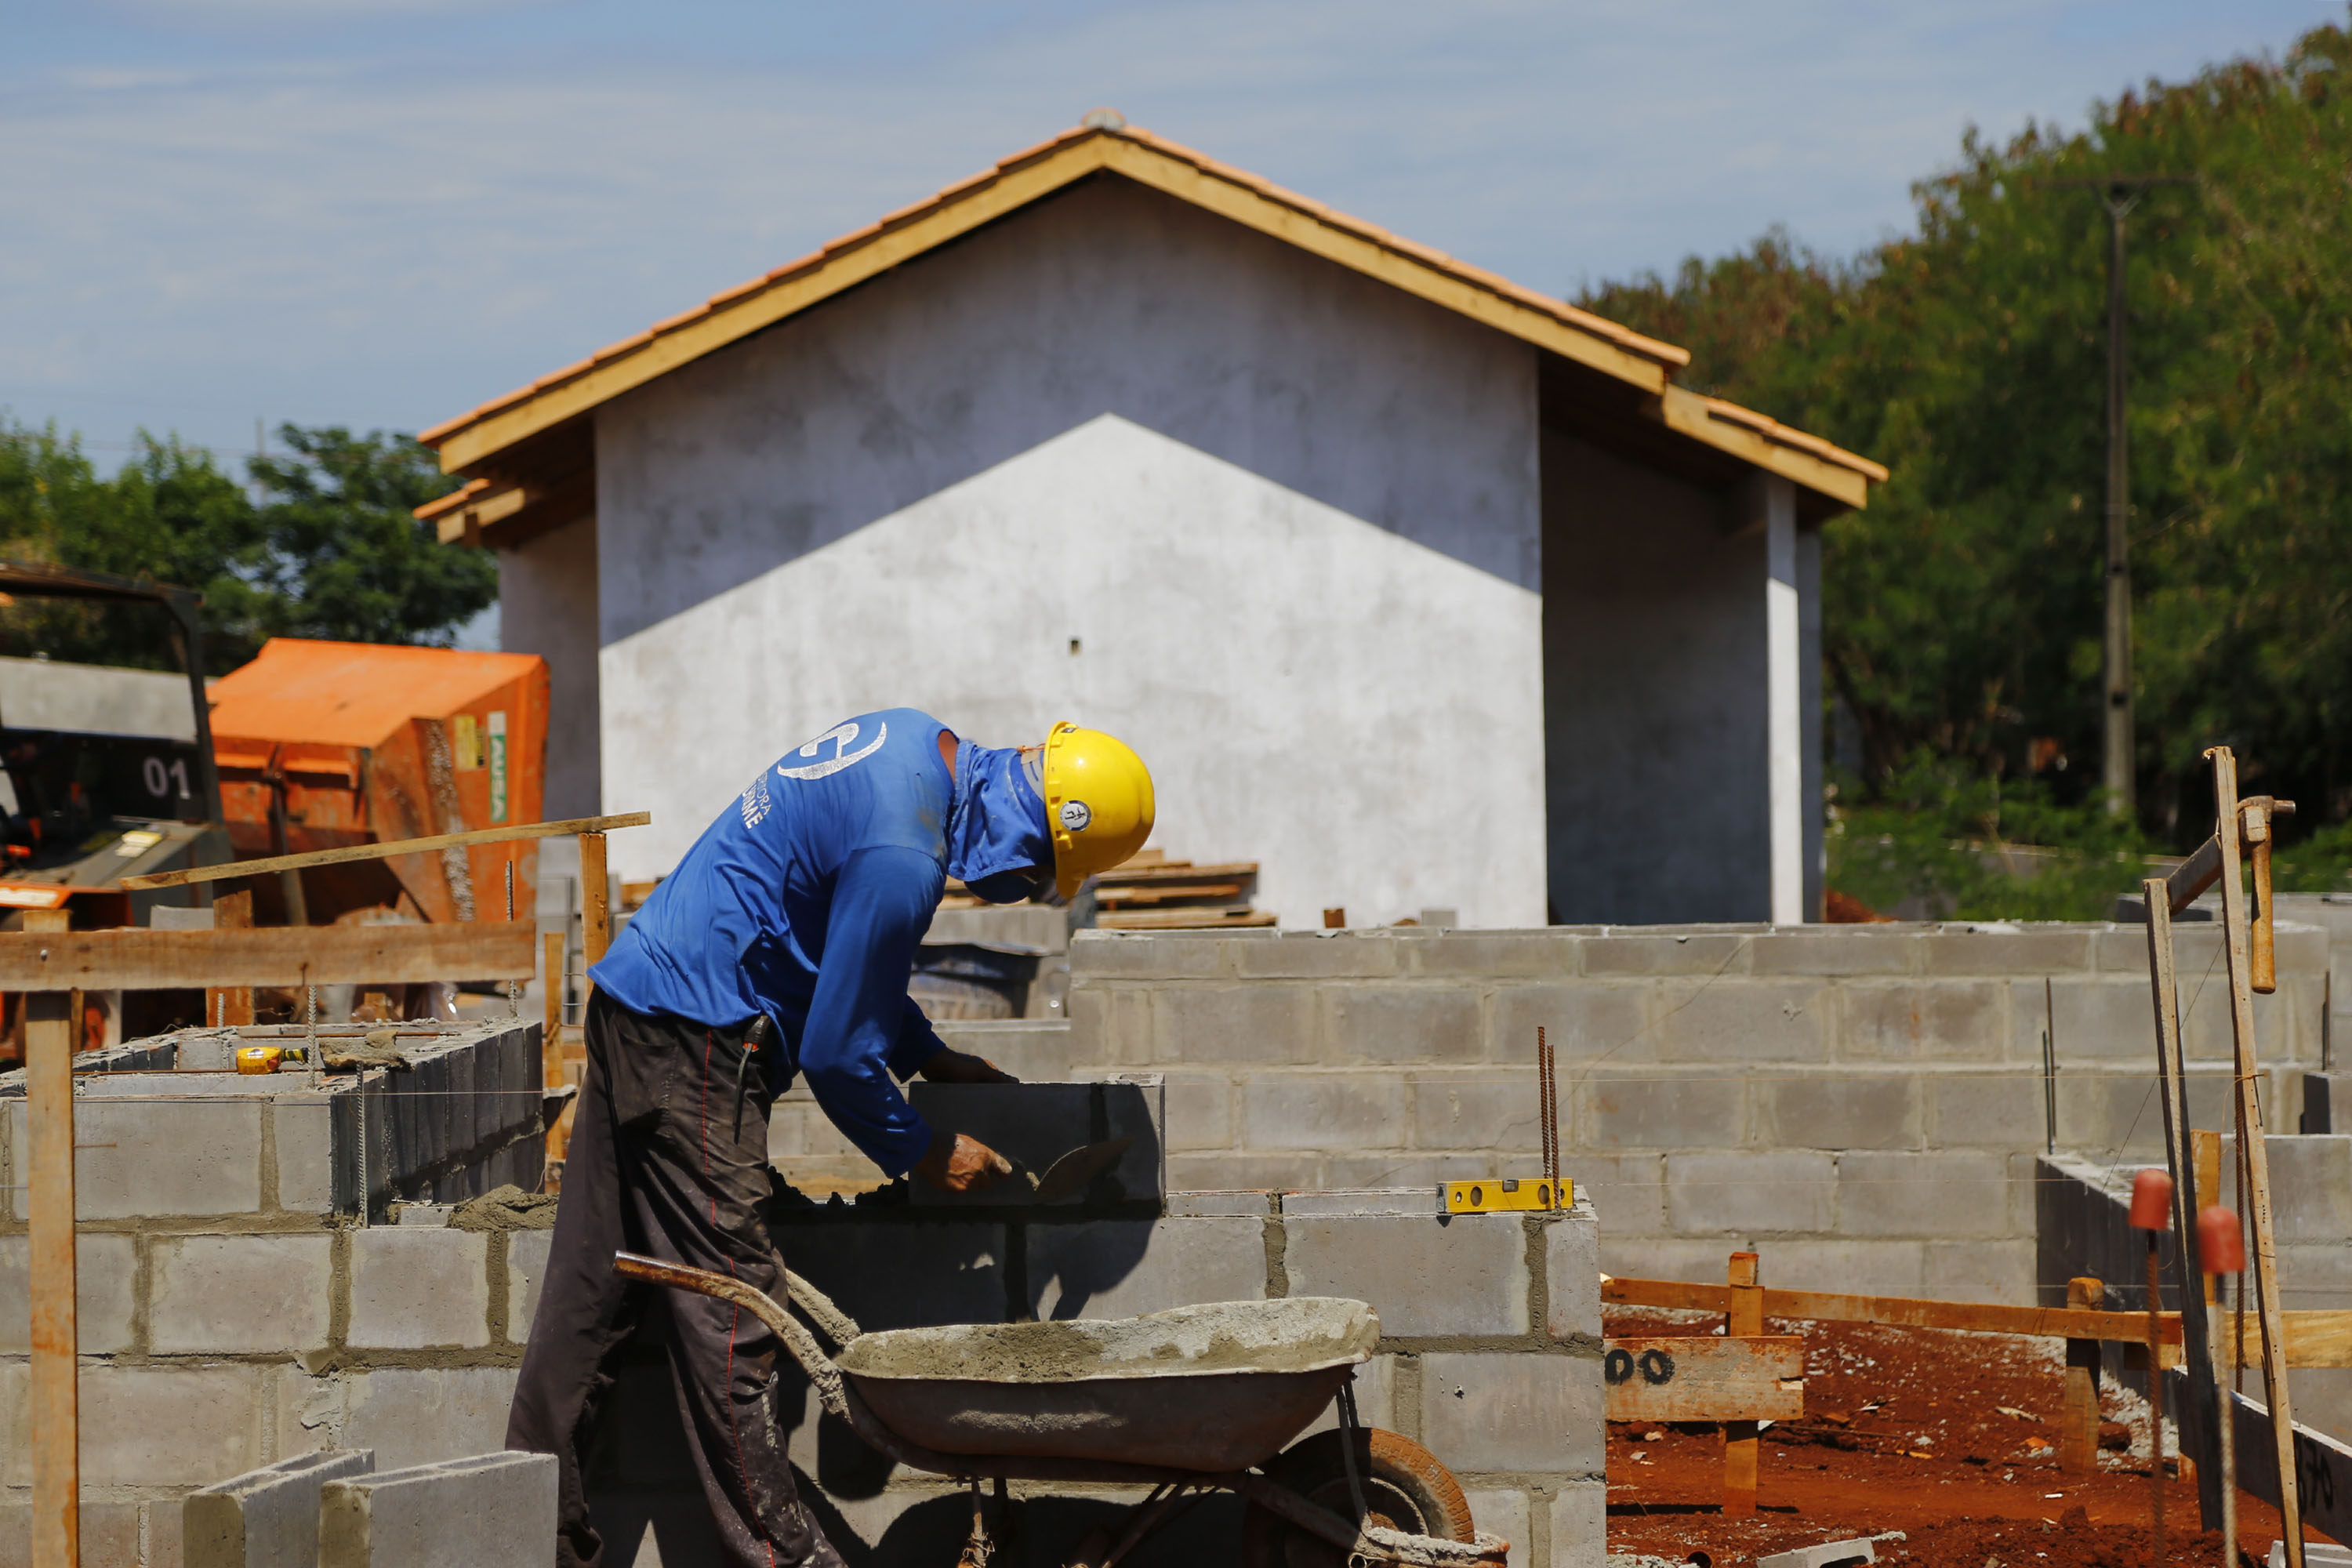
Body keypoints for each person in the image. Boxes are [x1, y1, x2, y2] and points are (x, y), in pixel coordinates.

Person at [507, 710, 1154, 1568]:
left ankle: (527, 1534)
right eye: (1043, 870)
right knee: (736, 1311)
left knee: (589, 1293)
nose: (1028, 887)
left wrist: (930, 1054)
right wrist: (925, 1147)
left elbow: (839, 950)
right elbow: (838, 1055)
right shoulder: (907, 857)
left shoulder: (914, 746)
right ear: (1037, 822)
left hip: (641, 1000)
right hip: (699, 1038)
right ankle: (791, 1557)